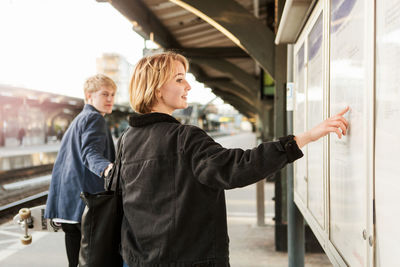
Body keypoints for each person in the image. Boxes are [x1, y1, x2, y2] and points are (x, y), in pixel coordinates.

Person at [120, 52, 349, 267]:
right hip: (190, 259)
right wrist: (304, 138)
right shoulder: (184, 137)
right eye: (180, 80)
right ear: (157, 89)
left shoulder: (126, 141)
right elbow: (237, 167)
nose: (188, 86)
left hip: (139, 259)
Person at [44, 74, 117, 267]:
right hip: (86, 203)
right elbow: (90, 153)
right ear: (89, 95)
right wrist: (109, 169)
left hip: (69, 204)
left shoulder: (79, 119)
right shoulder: (95, 118)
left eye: (112, 94)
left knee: (74, 262)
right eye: (104, 94)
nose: (110, 99)